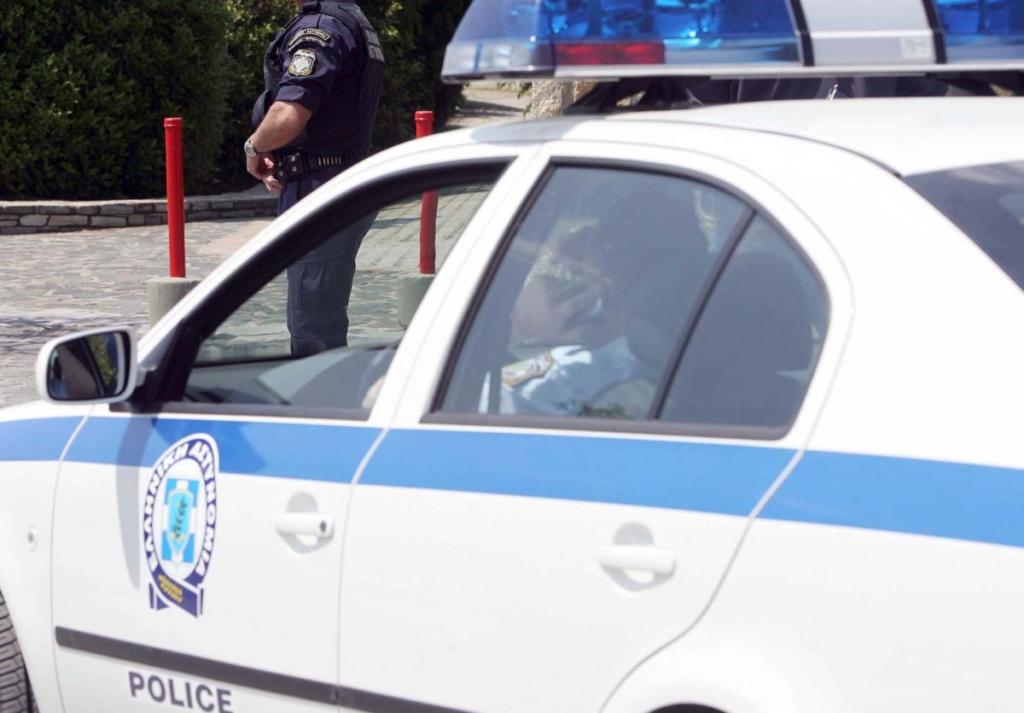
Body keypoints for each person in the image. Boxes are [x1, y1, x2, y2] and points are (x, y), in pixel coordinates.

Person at [245, 0, 384, 356]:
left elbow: (289, 112)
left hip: (320, 189)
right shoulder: (351, 17)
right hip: (337, 181)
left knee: (312, 331)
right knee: (321, 320)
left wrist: (254, 147)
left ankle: (324, 392)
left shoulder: (320, 27)